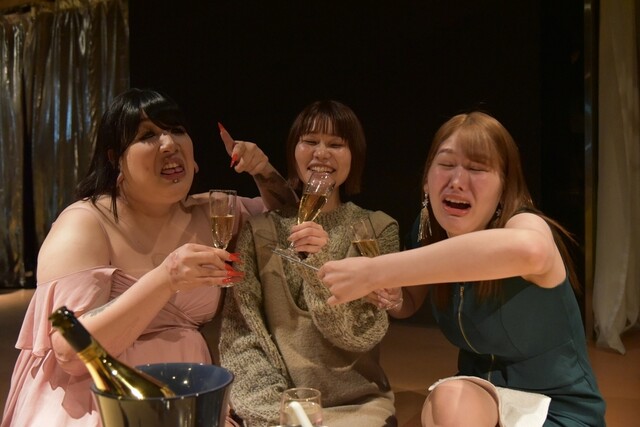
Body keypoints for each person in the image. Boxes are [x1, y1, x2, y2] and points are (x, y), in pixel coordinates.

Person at [1, 88, 296, 427]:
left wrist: (263, 171)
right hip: (96, 398)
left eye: (176, 130)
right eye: (147, 136)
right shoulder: (85, 224)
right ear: (115, 158)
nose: (169, 144)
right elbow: (71, 353)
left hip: (185, 393)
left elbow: (288, 224)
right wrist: (165, 278)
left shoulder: (215, 213)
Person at [319, 111, 606, 426]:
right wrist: (392, 296)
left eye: (477, 168)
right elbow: (408, 301)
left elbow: (531, 250)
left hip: (557, 406)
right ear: (426, 180)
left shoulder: (524, 223)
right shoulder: (427, 231)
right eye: (445, 165)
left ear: (505, 186)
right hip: (482, 395)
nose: (457, 181)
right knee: (448, 400)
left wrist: (374, 271)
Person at [218, 100, 400, 427]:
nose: (321, 153)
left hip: (358, 405)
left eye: (336, 144)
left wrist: (319, 262)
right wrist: (279, 413)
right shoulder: (259, 231)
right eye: (310, 141)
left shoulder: (378, 229)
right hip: (281, 409)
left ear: (354, 155)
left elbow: (362, 334)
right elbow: (241, 337)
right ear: (293, 152)